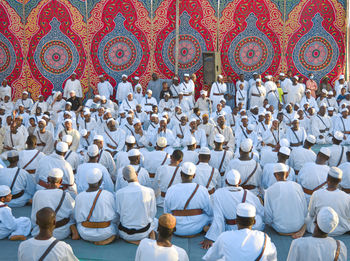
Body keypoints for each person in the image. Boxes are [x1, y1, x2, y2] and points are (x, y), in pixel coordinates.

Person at [202, 170, 264, 249]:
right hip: (248, 227)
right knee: (258, 217)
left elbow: (218, 217)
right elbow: (261, 211)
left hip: (230, 228)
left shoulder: (218, 193)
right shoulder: (248, 193)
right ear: (240, 181)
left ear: (226, 181)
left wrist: (211, 237)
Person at [203, 203, 277, 260]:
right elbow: (272, 257)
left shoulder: (224, 237)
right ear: (254, 222)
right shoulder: (264, 238)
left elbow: (209, 257)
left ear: (236, 221)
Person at [164, 162, 212, 237]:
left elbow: (166, 212)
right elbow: (210, 212)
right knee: (212, 216)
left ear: (180, 174)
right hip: (197, 227)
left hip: (176, 228)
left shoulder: (171, 189)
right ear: (194, 175)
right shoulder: (202, 190)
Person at [31, 168, 77, 240]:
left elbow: (34, 217)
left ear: (48, 179)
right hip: (61, 232)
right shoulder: (66, 195)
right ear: (61, 181)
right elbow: (73, 214)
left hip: (40, 232)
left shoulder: (38, 194)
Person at [74, 169, 117, 245]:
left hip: (85, 234)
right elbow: (115, 217)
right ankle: (107, 239)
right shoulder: (108, 195)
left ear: (87, 181)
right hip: (106, 233)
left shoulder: (79, 197)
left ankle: (93, 240)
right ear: (100, 182)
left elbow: (77, 218)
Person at [116, 165, 157, 244]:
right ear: (137, 174)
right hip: (144, 233)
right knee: (155, 221)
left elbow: (119, 213)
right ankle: (147, 239)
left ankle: (133, 240)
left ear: (124, 178)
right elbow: (152, 213)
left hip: (125, 233)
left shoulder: (119, 193)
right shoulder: (149, 191)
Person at [304, 167, 350, 236]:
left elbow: (311, 214)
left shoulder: (317, 194)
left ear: (327, 178)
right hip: (341, 230)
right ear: (340, 181)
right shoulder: (347, 197)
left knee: (307, 217)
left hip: (320, 230)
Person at [264, 163, 307, 236]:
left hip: (280, 228)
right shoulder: (297, 186)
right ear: (287, 174)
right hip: (298, 225)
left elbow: (268, 217)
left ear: (274, 175)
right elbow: (305, 210)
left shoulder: (269, 190)